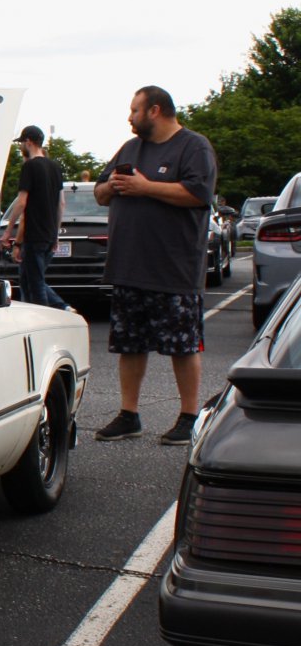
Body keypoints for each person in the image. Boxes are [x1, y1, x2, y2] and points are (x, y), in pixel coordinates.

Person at [93, 86, 217, 444]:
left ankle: (189, 416)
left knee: (182, 345)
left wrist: (147, 187)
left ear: (155, 111)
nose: (129, 116)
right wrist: (114, 186)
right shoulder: (130, 149)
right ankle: (129, 414)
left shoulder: (193, 147)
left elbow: (197, 194)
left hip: (173, 269)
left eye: (134, 110)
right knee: (129, 345)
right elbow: (100, 192)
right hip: (128, 267)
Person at [1, 125, 71, 311]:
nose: (21, 146)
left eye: (22, 143)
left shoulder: (30, 167)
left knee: (36, 283)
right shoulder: (55, 167)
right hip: (49, 235)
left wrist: (8, 232)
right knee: (27, 279)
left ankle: (47, 315)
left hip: (34, 235)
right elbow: (61, 203)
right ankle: (56, 308)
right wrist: (55, 235)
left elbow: (22, 202)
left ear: (29, 142)